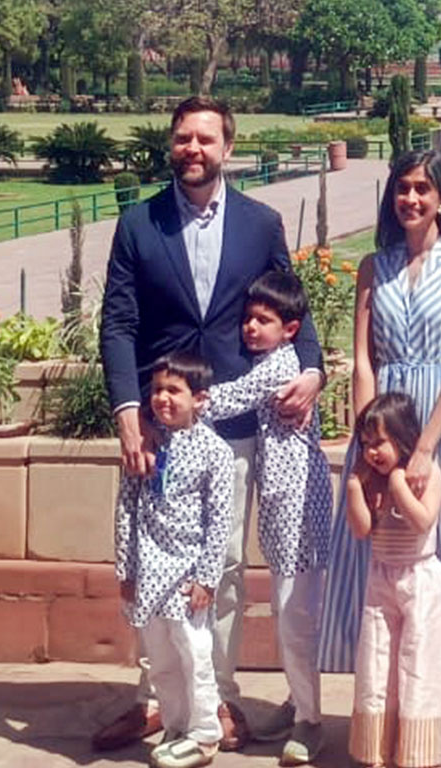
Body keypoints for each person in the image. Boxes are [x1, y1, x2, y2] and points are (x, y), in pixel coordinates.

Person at [98, 96, 324, 753]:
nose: (192, 149)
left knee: (218, 569)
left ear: (228, 148)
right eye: (182, 138)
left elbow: (294, 308)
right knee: (147, 562)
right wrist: (128, 413)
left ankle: (216, 697)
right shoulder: (140, 225)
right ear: (171, 146)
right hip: (159, 427)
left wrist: (311, 370)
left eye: (205, 139)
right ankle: (155, 700)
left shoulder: (259, 224)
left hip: (232, 429)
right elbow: (118, 324)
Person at [319, 149, 441, 750]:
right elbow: (362, 360)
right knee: (378, 563)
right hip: (383, 424)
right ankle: (386, 711)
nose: (412, 199)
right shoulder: (373, 267)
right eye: (403, 188)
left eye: (423, 189)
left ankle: (438, 710)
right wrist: (368, 439)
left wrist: (423, 448)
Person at [201, 270, 332, 766]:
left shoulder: (280, 368)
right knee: (287, 611)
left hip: (297, 512)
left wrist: (182, 402)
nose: (251, 328)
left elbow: (232, 398)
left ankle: (311, 722)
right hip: (282, 510)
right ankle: (300, 701)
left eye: (264, 320)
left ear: (291, 328)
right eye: (248, 319)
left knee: (294, 614)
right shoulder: (277, 360)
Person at [114, 352, 234, 768]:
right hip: (149, 571)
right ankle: (176, 726)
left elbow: (220, 520)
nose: (163, 399)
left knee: (194, 653)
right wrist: (126, 569)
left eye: (174, 391)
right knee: (161, 658)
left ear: (199, 399)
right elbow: (126, 508)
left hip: (187, 575)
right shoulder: (145, 444)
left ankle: (204, 734)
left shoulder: (214, 452)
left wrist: (206, 577)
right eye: (157, 390)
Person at [347, 393, 441, 767]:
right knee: (377, 660)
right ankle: (375, 746)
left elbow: (423, 521)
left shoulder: (426, 475)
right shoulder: (369, 481)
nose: (371, 452)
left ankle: (419, 750)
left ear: (403, 437)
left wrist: (397, 485)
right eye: (365, 445)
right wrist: (354, 491)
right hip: (381, 578)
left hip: (420, 579)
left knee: (418, 661)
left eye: (379, 442)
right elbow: (361, 531)